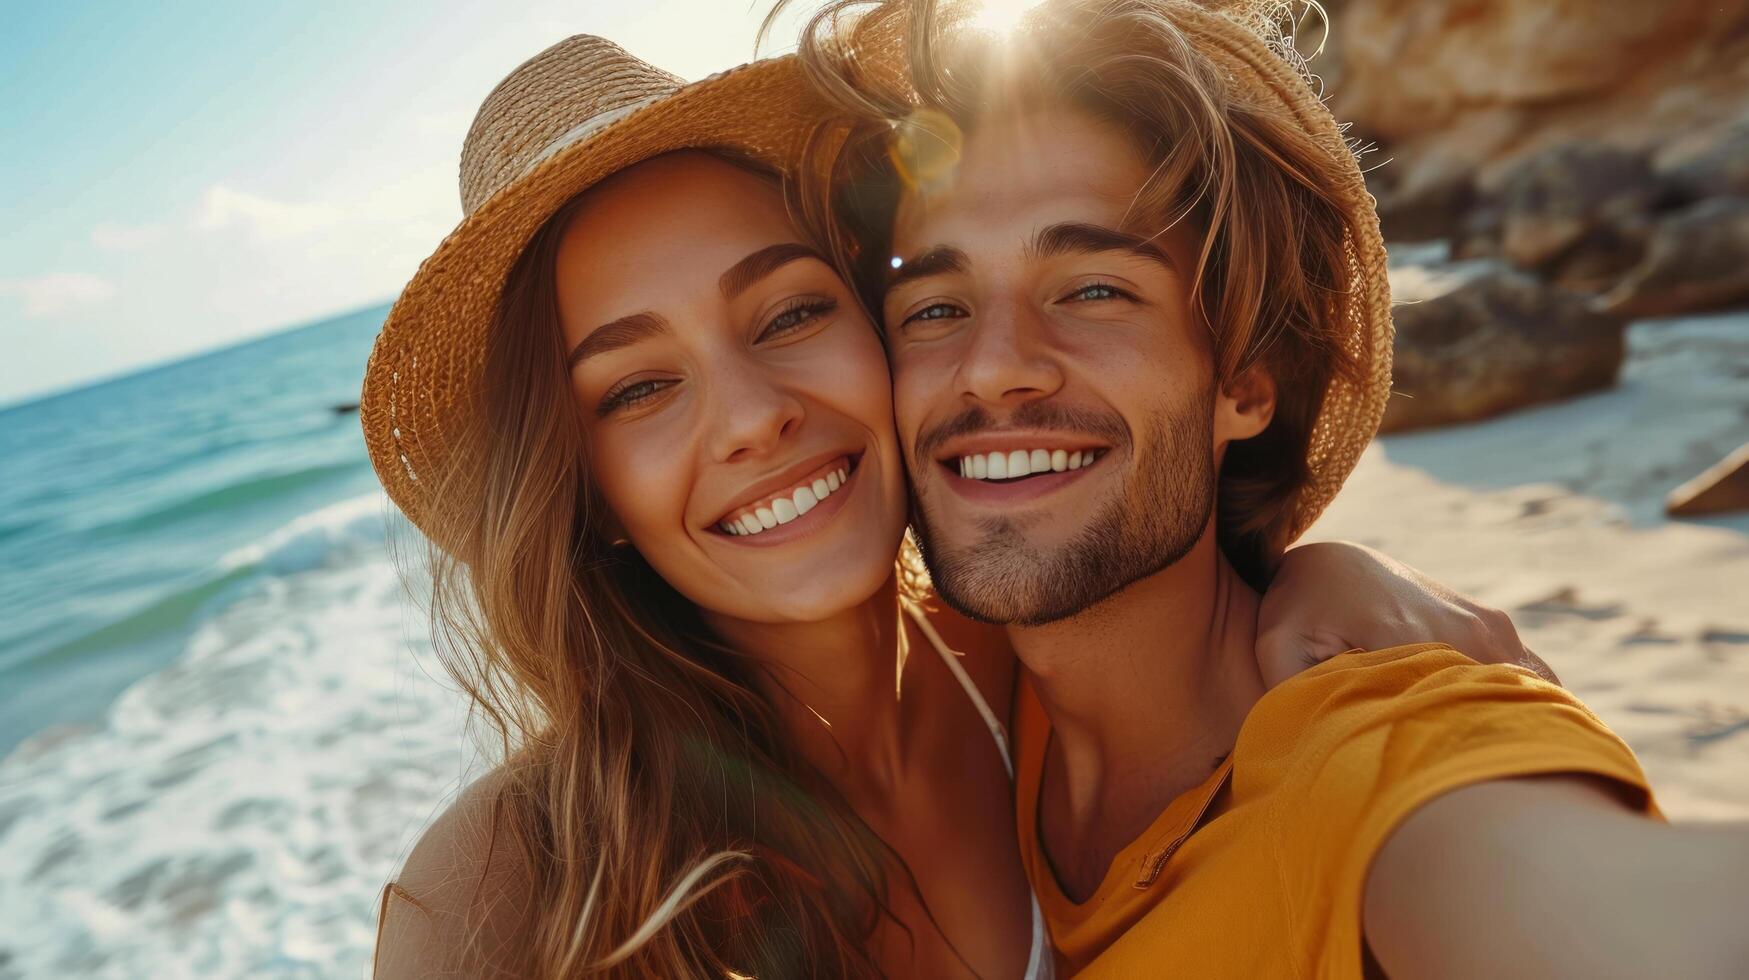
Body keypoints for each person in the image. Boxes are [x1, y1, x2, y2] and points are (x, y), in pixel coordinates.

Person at [362, 29, 1551, 980]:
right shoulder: (509, 887)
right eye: (638, 387)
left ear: (885, 333)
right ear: (591, 494)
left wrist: (1314, 568)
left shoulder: (1038, 676)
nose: (749, 418)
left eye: (788, 314)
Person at [792, 0, 1749, 976]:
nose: (993, 367)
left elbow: (1608, 914)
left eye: (1093, 290)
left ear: (1246, 382)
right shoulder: (958, 701)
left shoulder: (1384, 742)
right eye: (937, 307)